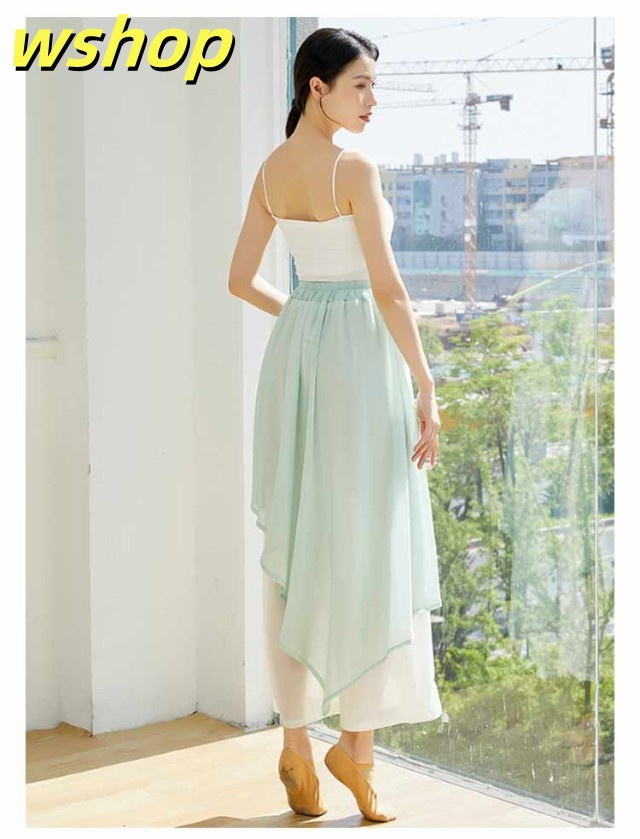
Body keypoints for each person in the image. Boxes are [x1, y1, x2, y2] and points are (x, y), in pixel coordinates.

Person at [228, 27, 442, 823]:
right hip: (361, 361)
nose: (372, 99)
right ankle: (356, 751)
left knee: (297, 547)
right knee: (367, 545)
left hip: (298, 360)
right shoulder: (354, 167)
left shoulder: (270, 171)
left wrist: (303, 317)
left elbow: (239, 278)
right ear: (316, 87)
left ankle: (295, 742)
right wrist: (426, 382)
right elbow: (388, 290)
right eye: (360, 85)